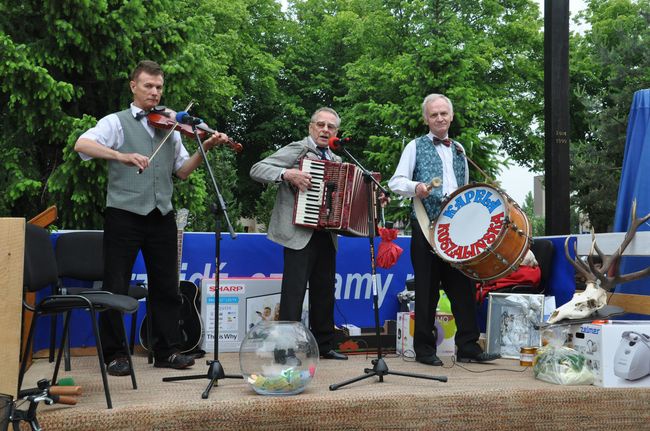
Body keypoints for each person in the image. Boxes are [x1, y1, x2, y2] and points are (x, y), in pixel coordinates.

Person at [74, 60, 231, 376]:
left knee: (167, 286)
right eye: (148, 85)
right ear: (134, 86)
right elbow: (82, 144)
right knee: (115, 285)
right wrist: (121, 155)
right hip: (124, 214)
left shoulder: (170, 128)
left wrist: (206, 148)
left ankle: (166, 350)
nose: (154, 92)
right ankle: (115, 354)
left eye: (159, 87)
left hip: (161, 214)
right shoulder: (115, 123)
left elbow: (183, 171)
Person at [388, 93, 500, 366]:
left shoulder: (459, 149)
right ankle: (425, 350)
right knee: (427, 290)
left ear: (451, 117)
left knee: (464, 287)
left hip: (457, 232)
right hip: (427, 227)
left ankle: (468, 347)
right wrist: (417, 187)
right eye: (433, 114)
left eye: (443, 113)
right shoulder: (415, 146)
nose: (439, 118)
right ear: (426, 118)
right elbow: (395, 182)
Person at [249, 107, 348, 360]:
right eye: (321, 125)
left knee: (324, 291)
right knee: (293, 293)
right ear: (311, 127)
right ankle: (284, 349)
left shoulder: (337, 161)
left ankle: (324, 345)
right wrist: (287, 174)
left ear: (336, 131)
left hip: (326, 234)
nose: (325, 130)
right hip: (298, 234)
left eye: (331, 127)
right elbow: (257, 168)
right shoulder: (298, 149)